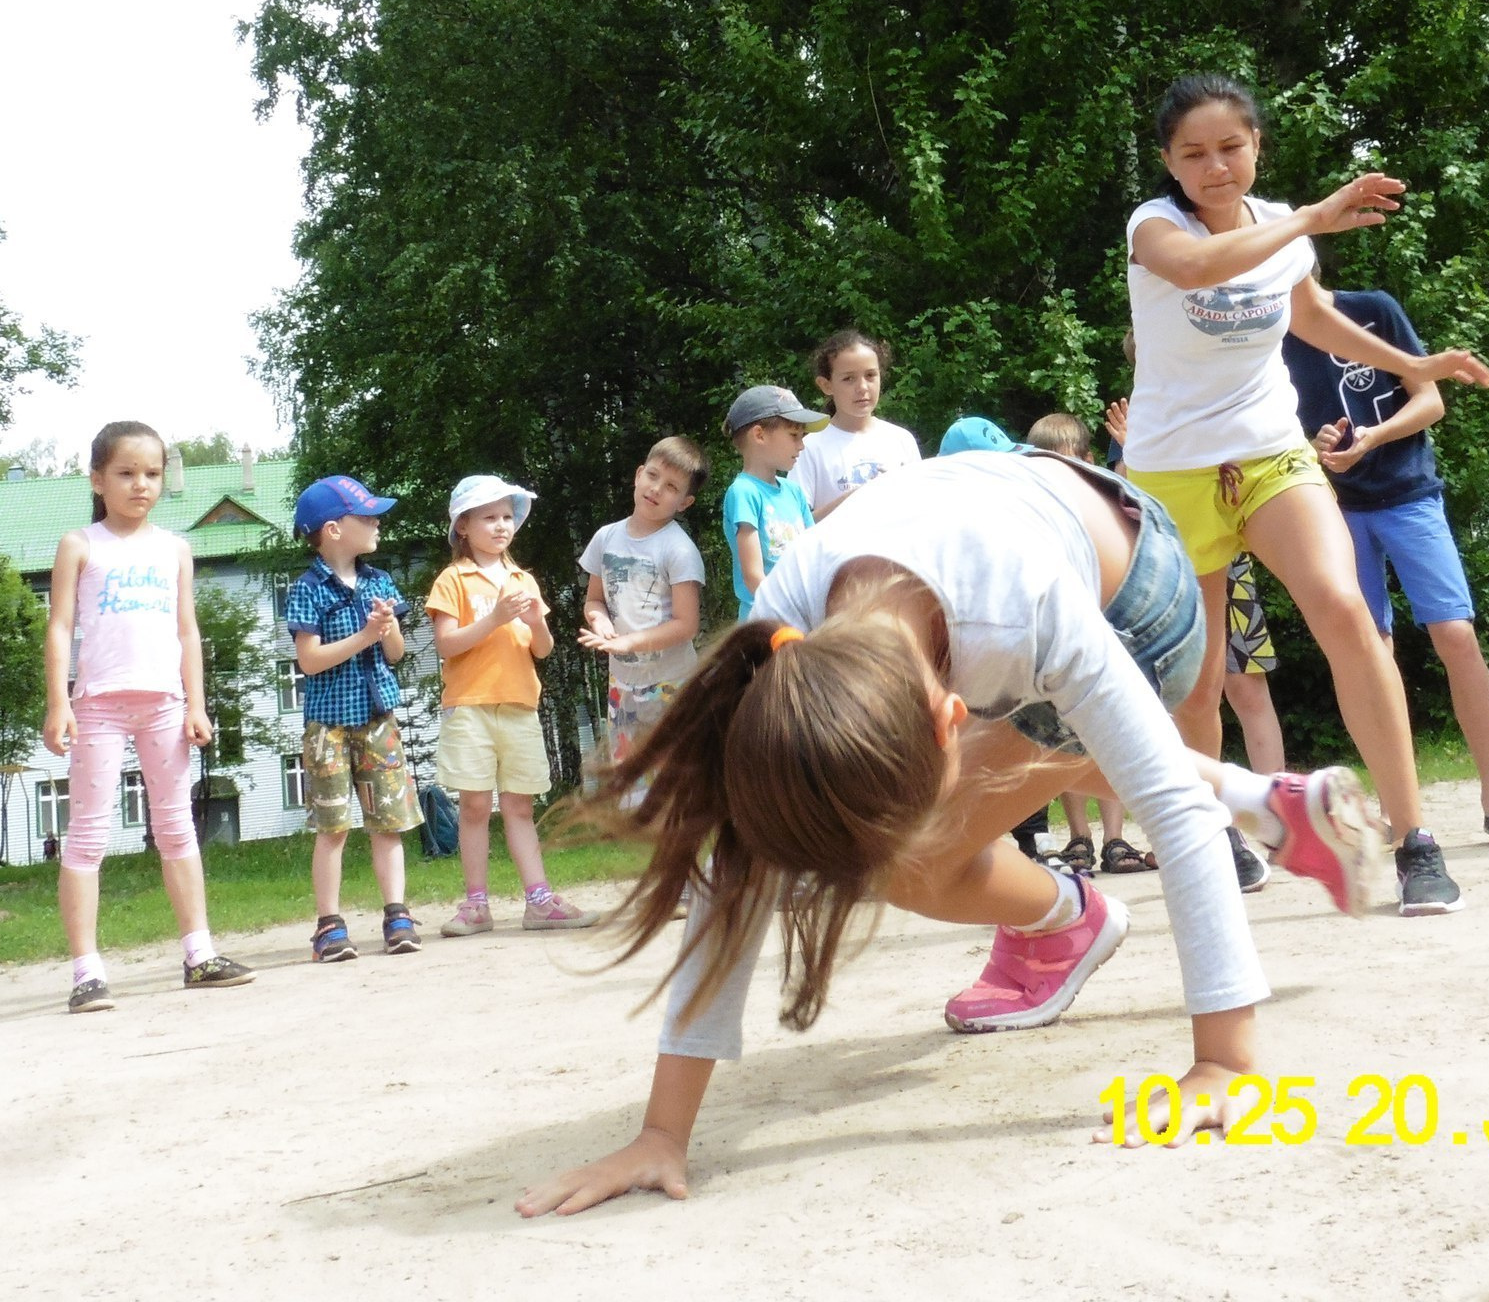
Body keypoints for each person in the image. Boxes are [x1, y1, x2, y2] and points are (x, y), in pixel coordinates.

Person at [516, 449, 1380, 1218]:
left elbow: (1172, 813)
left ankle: (1073, 917)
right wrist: (662, 1133)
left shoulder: (1023, 617)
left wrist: (1224, 1064)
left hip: (1139, 587)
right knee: (1029, 761)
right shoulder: (784, 635)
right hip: (1008, 523)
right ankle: (1270, 805)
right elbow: (737, 861)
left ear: (953, 718)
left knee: (918, 856)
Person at [1122, 75, 1489, 914]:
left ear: (1257, 146)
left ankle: (1414, 842)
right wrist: (1310, 220)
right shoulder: (1155, 226)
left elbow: (1311, 315)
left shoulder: (1287, 225)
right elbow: (1194, 267)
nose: (1216, 167)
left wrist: (1413, 366)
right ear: (1169, 163)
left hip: (1269, 454)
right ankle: (1214, 832)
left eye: (1231, 147)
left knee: (1342, 608)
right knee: (1199, 672)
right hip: (1172, 471)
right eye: (1194, 153)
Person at [1284, 283, 1489, 846]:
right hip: (1334, 508)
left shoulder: (1372, 310)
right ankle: (1404, 809)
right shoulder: (1266, 335)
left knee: (1454, 633)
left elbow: (1431, 400)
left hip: (1409, 494)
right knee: (1368, 653)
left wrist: (1373, 437)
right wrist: (1315, 440)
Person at [42, 421, 251, 1012]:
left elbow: (188, 630)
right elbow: (59, 627)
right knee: (86, 837)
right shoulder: (80, 545)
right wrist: (59, 701)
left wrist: (197, 705)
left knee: (176, 828)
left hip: (164, 704)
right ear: (98, 479)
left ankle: (199, 953)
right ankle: (86, 971)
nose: (141, 485)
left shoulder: (175, 548)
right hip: (99, 706)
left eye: (153, 474)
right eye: (126, 473)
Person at [1105, 386, 1277, 891]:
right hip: (1164, 573)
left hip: (1229, 562)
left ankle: (1277, 813)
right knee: (1182, 698)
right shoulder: (1138, 416)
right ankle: (1211, 827)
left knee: (1246, 686)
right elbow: (1124, 501)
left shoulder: (1226, 390)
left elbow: (1245, 480)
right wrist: (1130, 451)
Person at [427, 475, 596, 935]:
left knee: (520, 806)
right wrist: (498, 617)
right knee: (475, 806)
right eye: (489, 517)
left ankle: (538, 900)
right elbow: (446, 644)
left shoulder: (523, 579)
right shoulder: (453, 579)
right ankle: (476, 905)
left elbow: (541, 648)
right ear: (463, 526)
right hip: (469, 706)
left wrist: (533, 621)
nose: (501, 526)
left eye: (507, 516)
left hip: (520, 705)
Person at [285, 475, 419, 961]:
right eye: (366, 517)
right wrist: (365, 635)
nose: (376, 523)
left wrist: (386, 630)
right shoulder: (307, 589)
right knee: (334, 826)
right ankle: (329, 926)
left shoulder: (380, 582)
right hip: (329, 727)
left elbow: (398, 653)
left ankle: (397, 915)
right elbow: (310, 660)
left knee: (389, 822)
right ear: (333, 529)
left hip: (378, 719)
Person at [1025, 413, 1159, 876]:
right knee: (1068, 736)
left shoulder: (1104, 502)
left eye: (1062, 465)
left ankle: (1116, 838)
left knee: (1111, 733)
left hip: (1106, 634)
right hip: (1060, 639)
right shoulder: (1032, 510)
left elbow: (1138, 500)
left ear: (1086, 462)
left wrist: (1129, 452)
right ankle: (1078, 838)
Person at [580, 438, 710, 774]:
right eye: (652, 476)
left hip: (671, 684)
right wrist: (600, 623)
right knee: (628, 779)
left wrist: (627, 642)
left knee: (671, 782)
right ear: (638, 475)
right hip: (621, 685)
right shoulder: (605, 538)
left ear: (685, 502)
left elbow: (686, 625)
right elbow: (594, 599)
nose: (656, 489)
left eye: (671, 487)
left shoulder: (679, 549)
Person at [795, 329, 921, 517]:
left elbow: (921, 509)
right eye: (848, 379)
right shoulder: (809, 448)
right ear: (826, 385)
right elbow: (795, 525)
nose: (862, 387)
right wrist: (858, 497)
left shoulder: (901, 440)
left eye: (870, 375)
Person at [722, 386, 825, 614]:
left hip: (801, 615)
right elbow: (753, 576)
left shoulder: (794, 492)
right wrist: (790, 612)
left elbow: (813, 556)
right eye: (794, 435)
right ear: (759, 435)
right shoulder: (744, 492)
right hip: (764, 620)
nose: (801, 445)